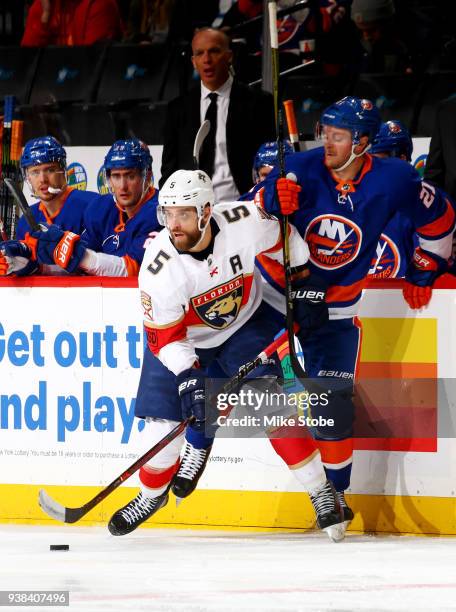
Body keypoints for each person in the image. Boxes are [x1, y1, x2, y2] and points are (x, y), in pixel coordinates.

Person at [108, 169, 346, 541]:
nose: (174, 225)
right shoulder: (159, 267)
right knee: (164, 431)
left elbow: (283, 237)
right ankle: (150, 496)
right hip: (181, 341)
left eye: (183, 214)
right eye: (168, 214)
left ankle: (322, 492)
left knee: (276, 408)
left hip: (245, 325)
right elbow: (166, 338)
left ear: (206, 211)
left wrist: (302, 280)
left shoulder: (243, 221)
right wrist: (189, 376)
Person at [256, 96, 454, 530]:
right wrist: (272, 199)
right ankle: (312, 487)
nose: (327, 142)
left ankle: (336, 496)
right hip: (276, 300)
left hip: (336, 306)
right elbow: (247, 217)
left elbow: (439, 219)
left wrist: (425, 268)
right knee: (265, 398)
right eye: (324, 132)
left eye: (338, 136)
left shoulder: (396, 178)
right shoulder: (300, 167)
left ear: (363, 142)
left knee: (332, 405)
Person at [0, 140, 160, 278]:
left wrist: (77, 253)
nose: (123, 186)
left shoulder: (161, 213)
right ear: (108, 179)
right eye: (116, 176)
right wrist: (34, 267)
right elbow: (80, 268)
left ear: (147, 176)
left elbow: (135, 271)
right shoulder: (101, 208)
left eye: (130, 176)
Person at [159, 27, 275, 202]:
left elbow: (271, 160)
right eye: (199, 53)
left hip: (244, 206)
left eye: (214, 51)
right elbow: (169, 169)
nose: (207, 59)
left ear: (229, 56)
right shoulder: (177, 108)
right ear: (193, 61)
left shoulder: (259, 102)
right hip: (194, 210)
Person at [0, 136, 98, 277]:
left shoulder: (93, 205)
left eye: (50, 170)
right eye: (35, 172)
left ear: (63, 170)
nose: (42, 179)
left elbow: (96, 263)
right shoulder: (25, 221)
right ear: (27, 177)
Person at [368, 120, 416, 278]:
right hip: (358, 299)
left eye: (380, 161)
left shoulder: (419, 207)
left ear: (402, 159)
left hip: (402, 298)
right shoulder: (356, 202)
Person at [21, 0, 123, 47]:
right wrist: (44, 18)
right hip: (47, 86)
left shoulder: (100, 4)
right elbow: (26, 64)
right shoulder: (43, 5)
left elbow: (90, 69)